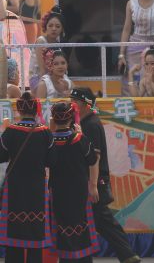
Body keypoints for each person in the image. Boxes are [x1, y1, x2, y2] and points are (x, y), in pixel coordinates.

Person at [70, 88, 141, 263]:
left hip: (94, 182)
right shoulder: (83, 123)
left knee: (99, 221)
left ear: (86, 104)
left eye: (74, 101)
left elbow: (95, 158)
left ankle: (126, 255)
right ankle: (128, 255)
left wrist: (92, 185)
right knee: (104, 222)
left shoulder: (91, 125)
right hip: (89, 182)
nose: (71, 104)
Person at [0, 92, 57, 263]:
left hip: (15, 187)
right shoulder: (45, 133)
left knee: (14, 229)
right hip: (37, 186)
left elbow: (1, 157)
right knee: (35, 230)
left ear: (18, 109)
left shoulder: (10, 131)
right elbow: (51, 161)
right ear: (36, 109)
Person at [49, 101, 100, 263]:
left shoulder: (49, 140)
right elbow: (92, 159)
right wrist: (93, 186)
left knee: (62, 226)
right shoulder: (79, 139)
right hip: (79, 190)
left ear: (53, 119)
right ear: (72, 118)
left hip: (58, 191)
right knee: (81, 226)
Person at [29, 6, 66, 91]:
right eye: (50, 26)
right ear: (45, 27)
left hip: (53, 78)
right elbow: (42, 70)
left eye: (57, 26)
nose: (54, 29)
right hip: (38, 79)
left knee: (68, 86)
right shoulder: (41, 41)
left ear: (62, 29)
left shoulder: (58, 45)